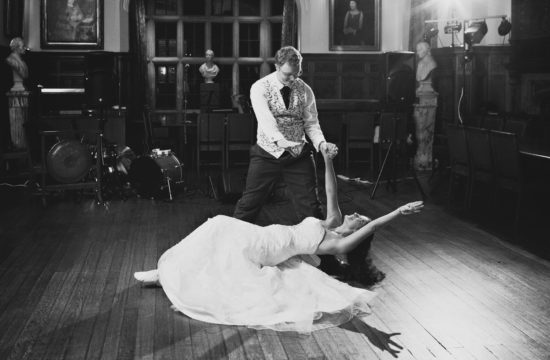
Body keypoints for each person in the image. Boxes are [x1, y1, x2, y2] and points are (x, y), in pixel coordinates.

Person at [134, 149, 424, 332]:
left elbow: (373, 224)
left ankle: (168, 274)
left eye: (359, 219)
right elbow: (329, 189)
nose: (358, 214)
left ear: (354, 235)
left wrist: (398, 212)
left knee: (218, 226)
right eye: (360, 215)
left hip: (268, 247)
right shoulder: (332, 222)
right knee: (216, 233)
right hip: (268, 234)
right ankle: (168, 273)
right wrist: (326, 158)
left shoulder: (337, 245)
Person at [233, 46, 337, 223]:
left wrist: (321, 144)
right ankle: (229, 245)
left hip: (299, 155)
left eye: (296, 74)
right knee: (249, 205)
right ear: (277, 67)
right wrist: (281, 141)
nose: (292, 79)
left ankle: (324, 249)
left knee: (311, 207)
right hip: (267, 153)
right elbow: (265, 120)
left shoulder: (305, 90)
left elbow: (311, 123)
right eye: (287, 74)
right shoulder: (259, 88)